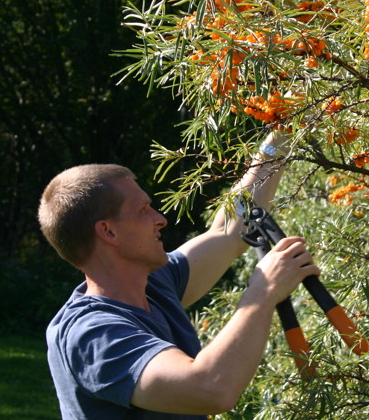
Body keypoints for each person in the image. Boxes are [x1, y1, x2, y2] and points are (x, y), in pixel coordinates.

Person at [38, 132, 318, 419]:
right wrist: (263, 291)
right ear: (108, 231)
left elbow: (231, 229)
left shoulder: (155, 283)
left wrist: (279, 136)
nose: (160, 219)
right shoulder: (91, 334)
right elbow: (210, 388)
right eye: (143, 210)